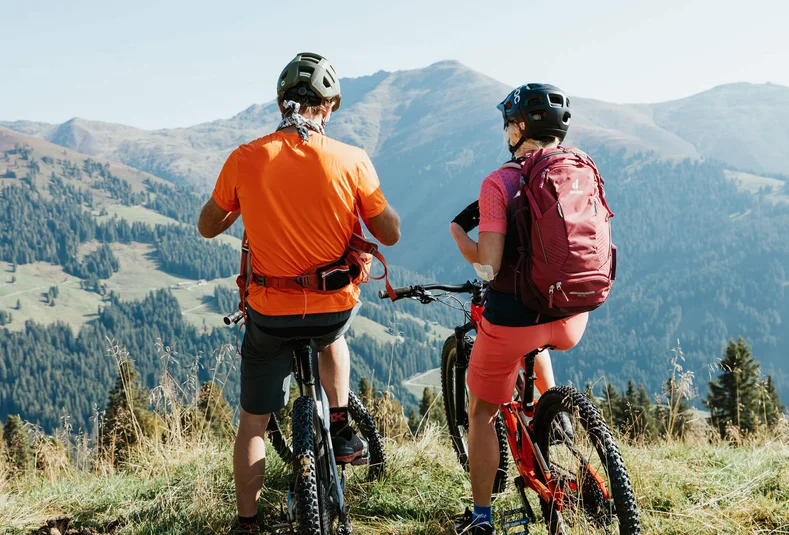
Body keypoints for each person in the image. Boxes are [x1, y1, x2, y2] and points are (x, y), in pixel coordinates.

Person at [197, 52, 401, 534]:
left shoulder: (247, 158)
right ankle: (340, 420)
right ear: (328, 108)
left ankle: (247, 524)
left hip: (269, 313)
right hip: (332, 308)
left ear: (279, 102)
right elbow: (388, 232)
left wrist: (238, 206)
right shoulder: (352, 159)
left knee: (252, 424)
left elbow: (208, 226)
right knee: (334, 338)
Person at [449, 83, 589, 535]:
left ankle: (482, 518)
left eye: (508, 121)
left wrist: (460, 239)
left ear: (520, 128)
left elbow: (489, 266)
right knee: (541, 339)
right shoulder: (579, 169)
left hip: (514, 319)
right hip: (571, 315)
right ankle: (556, 418)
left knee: (481, 413)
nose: (505, 129)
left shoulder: (499, 182)